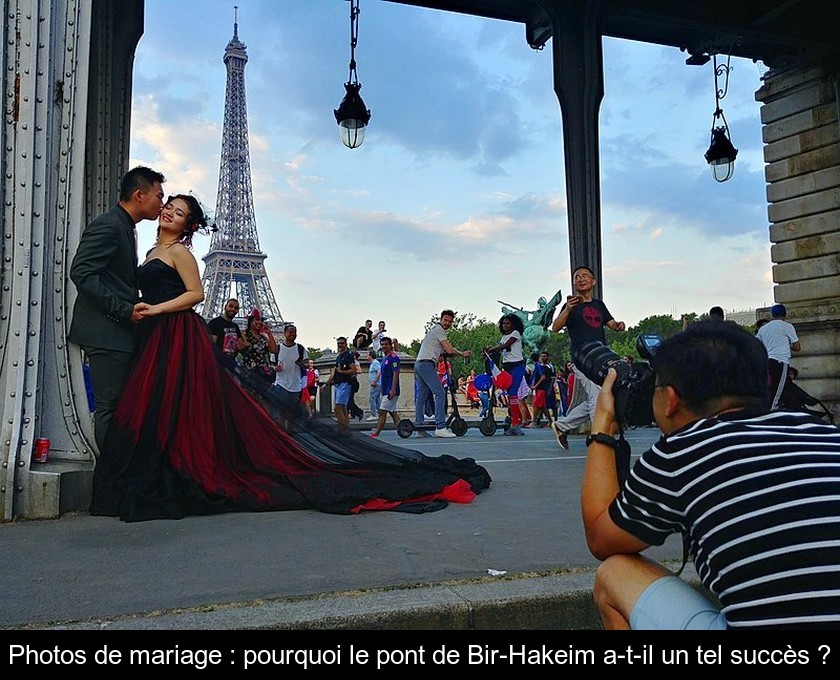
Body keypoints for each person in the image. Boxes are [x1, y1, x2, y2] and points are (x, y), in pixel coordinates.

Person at [91, 196, 491, 521]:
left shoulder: (180, 253)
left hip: (174, 333)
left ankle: (179, 470)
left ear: (189, 225)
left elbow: (195, 295)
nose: (169, 212)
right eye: (169, 207)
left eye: (179, 212)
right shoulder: (150, 249)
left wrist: (157, 310)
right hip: (156, 338)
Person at [581, 320, 840, 630]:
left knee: (614, 573)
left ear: (671, 399)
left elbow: (601, 537)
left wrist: (603, 429)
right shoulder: (823, 432)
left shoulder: (682, 451)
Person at [68, 166, 165, 453]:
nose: (162, 203)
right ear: (139, 194)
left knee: (118, 407)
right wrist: (124, 311)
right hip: (107, 333)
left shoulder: (123, 226)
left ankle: (115, 477)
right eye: (158, 196)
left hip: (113, 332)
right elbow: (82, 272)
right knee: (111, 408)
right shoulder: (110, 225)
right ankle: (111, 480)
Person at [550, 266, 625, 449]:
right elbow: (555, 327)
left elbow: (611, 323)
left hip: (600, 356)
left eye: (585, 276)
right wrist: (567, 310)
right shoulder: (570, 306)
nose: (580, 279)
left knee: (598, 395)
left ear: (593, 282)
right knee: (596, 395)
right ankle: (599, 438)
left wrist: (618, 325)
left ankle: (561, 426)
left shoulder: (599, 305)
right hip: (581, 358)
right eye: (577, 277)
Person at [414, 310, 472, 438]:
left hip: (419, 364)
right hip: (426, 364)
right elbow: (449, 349)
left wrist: (451, 353)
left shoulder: (435, 330)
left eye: (450, 321)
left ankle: (419, 427)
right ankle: (440, 426)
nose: (448, 323)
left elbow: (445, 350)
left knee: (421, 396)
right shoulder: (439, 330)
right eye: (446, 320)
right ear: (441, 319)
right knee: (439, 392)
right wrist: (462, 354)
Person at [485, 314, 529, 436]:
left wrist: (492, 349)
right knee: (510, 395)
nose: (505, 325)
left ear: (513, 324)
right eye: (503, 323)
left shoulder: (515, 334)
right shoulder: (504, 336)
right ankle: (513, 421)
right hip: (507, 366)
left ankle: (516, 423)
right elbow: (501, 348)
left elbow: (505, 346)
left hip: (517, 366)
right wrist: (490, 350)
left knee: (513, 393)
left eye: (508, 323)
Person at [756, 303, 801, 410]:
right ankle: (770, 415)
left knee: (772, 389)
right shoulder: (787, 326)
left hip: (767, 362)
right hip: (781, 362)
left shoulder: (763, 329)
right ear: (785, 315)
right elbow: (797, 346)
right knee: (776, 393)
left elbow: (757, 344)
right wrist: (787, 345)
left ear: (772, 315)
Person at [272, 323, 307, 412]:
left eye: (295, 332)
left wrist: (301, 364)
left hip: (295, 386)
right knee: (282, 411)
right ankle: (281, 426)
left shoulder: (300, 349)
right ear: (284, 333)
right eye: (290, 332)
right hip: (281, 384)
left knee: (292, 413)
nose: (293, 334)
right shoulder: (277, 348)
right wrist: (275, 368)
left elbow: (306, 364)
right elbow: (272, 365)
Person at [370, 337, 400, 438]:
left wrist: (393, 389)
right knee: (392, 412)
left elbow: (396, 373)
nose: (384, 346)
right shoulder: (384, 358)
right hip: (385, 389)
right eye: (382, 344)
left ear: (390, 345)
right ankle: (403, 429)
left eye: (386, 344)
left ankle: (376, 433)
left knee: (382, 411)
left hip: (391, 390)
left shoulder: (393, 357)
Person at [241, 309, 278, 387]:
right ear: (251, 321)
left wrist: (269, 333)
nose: (260, 322)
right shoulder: (244, 334)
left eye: (261, 320)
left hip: (264, 375)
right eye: (257, 319)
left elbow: (274, 350)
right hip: (250, 374)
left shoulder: (264, 337)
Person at [529, 351, 556, 427]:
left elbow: (545, 377)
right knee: (542, 405)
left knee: (537, 405)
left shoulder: (549, 366)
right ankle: (550, 421)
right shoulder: (539, 366)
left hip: (543, 387)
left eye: (544, 356)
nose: (543, 358)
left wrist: (535, 386)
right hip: (539, 388)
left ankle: (534, 421)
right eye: (542, 356)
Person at [367, 349, 382, 420]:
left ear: (371, 356)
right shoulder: (373, 363)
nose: (366, 356)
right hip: (376, 384)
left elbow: (379, 371)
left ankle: (373, 415)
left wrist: (375, 381)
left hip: (376, 384)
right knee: (377, 399)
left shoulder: (375, 363)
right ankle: (380, 414)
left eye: (367, 355)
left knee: (372, 398)